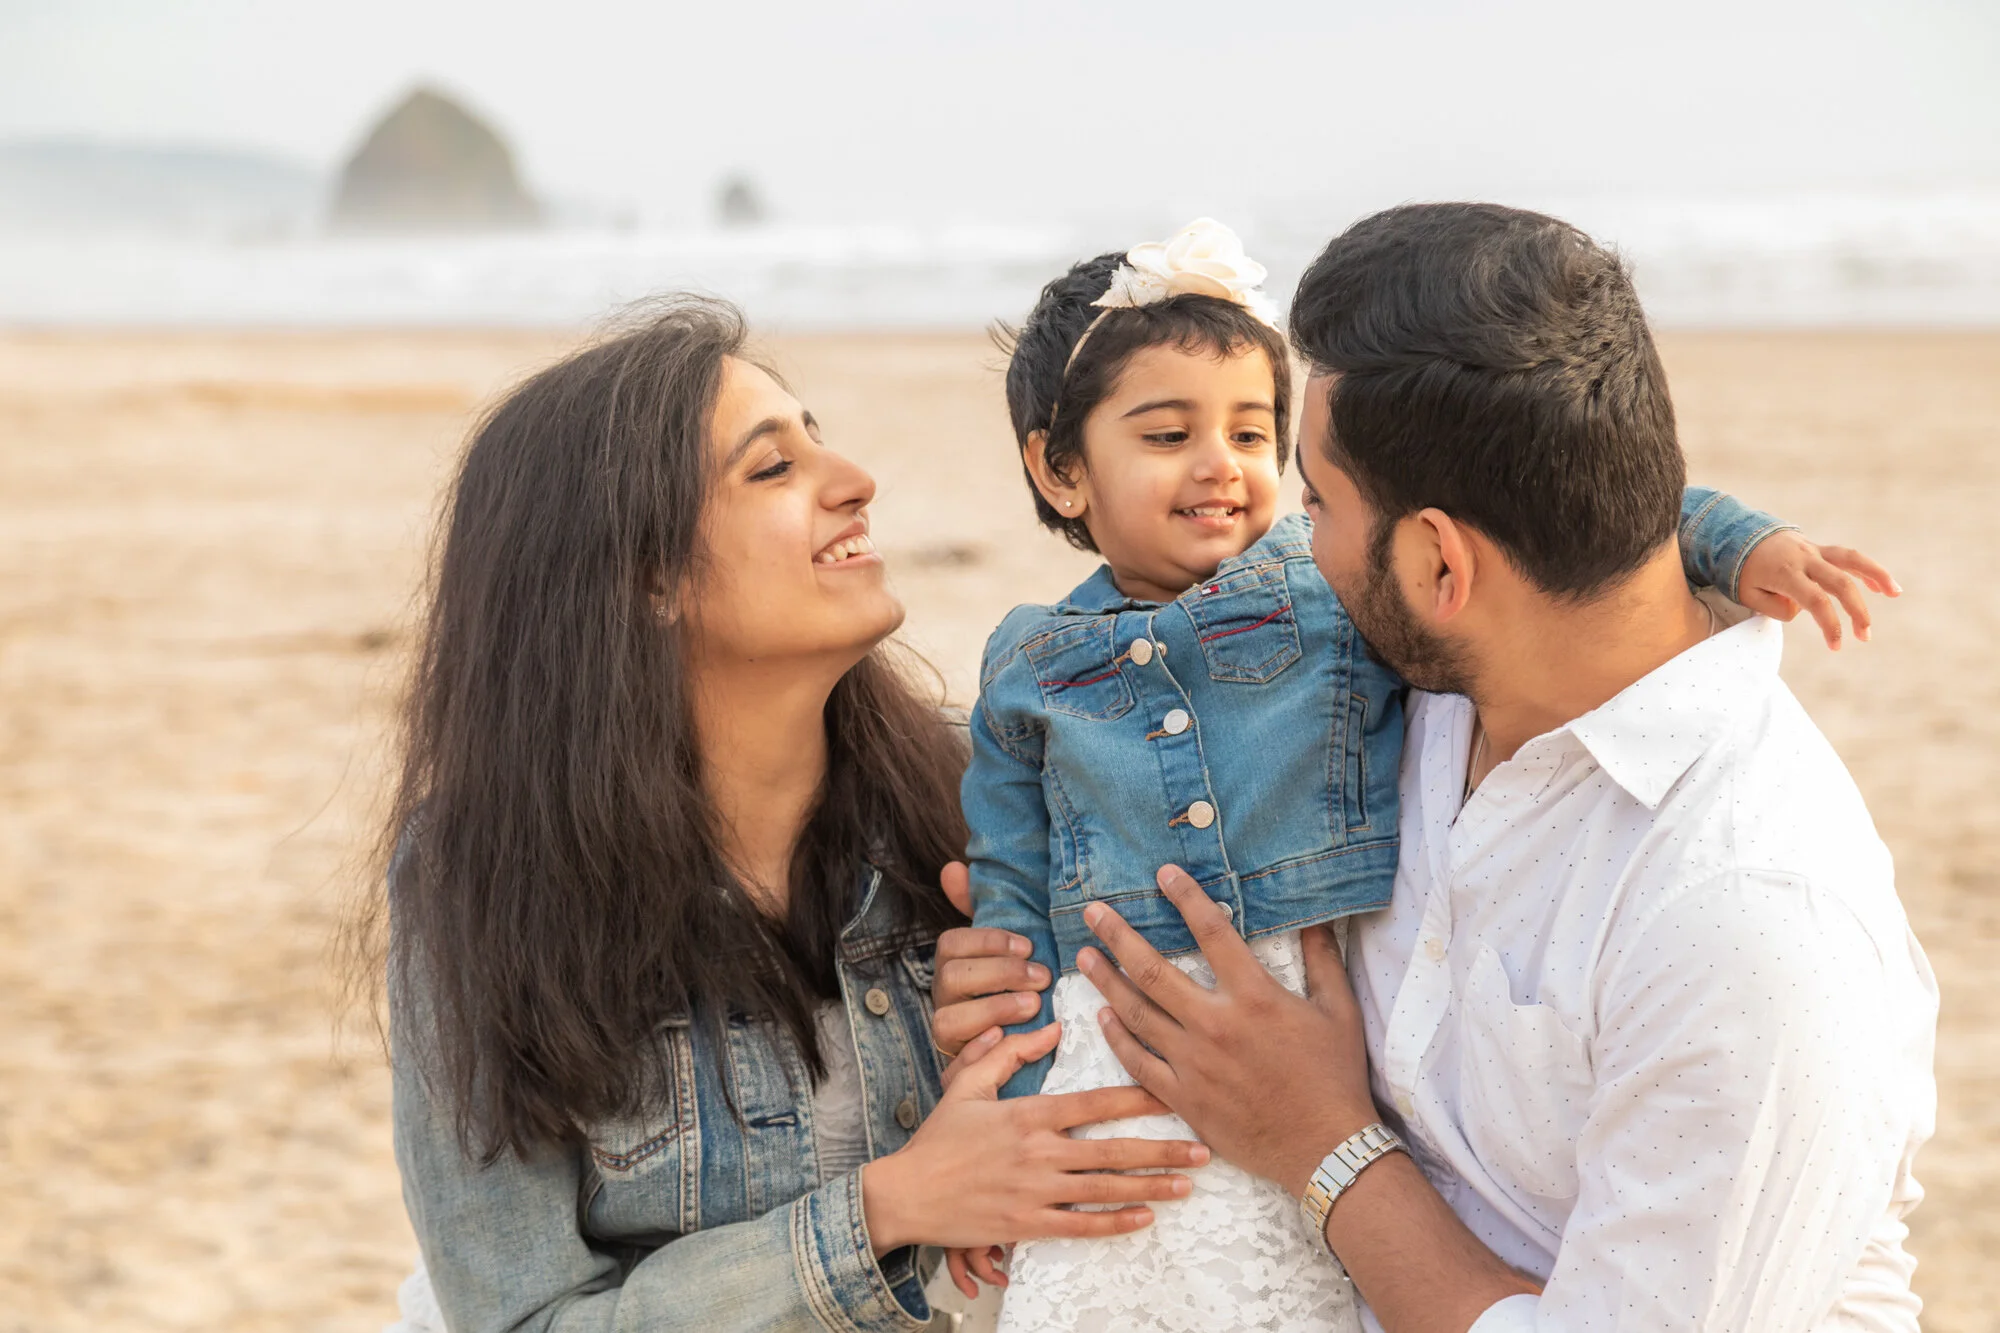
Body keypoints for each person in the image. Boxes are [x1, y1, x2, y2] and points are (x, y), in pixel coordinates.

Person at [942, 216, 1901, 1332]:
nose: (1283, 535)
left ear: (1440, 564)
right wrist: (1002, 966)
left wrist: (1321, 1141)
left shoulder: (1746, 924)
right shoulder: (1416, 687)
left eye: (1315, 504)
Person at [358, 297, 1213, 1333]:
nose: (854, 483)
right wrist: (888, 1208)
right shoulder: (479, 879)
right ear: (647, 576)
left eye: (819, 443)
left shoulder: (984, 789)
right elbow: (520, 1316)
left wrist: (1035, 995)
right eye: (773, 469)